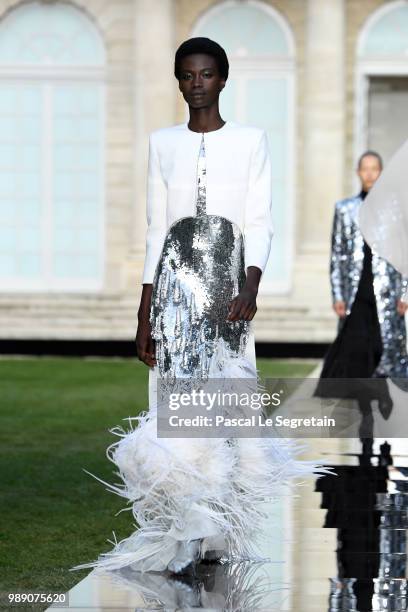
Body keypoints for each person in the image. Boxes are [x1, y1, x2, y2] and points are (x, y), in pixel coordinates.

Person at [71, 37, 326, 576]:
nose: (196, 85)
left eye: (206, 75)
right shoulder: (162, 143)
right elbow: (154, 231)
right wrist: (144, 315)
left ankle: (217, 531)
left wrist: (251, 285)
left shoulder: (252, 140)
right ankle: (186, 529)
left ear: (223, 79)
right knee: (177, 407)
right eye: (187, 76)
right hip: (174, 291)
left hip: (228, 291)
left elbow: (260, 221)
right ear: (178, 80)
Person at [315, 151, 408, 432]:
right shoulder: (345, 209)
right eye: (364, 169)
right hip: (356, 294)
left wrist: (405, 292)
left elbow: (404, 252)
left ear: (381, 173)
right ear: (358, 172)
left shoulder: (395, 209)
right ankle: (367, 408)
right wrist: (338, 295)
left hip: (386, 292)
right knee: (356, 351)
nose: (369, 174)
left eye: (374, 169)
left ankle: (380, 392)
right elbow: (337, 254)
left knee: (383, 348)